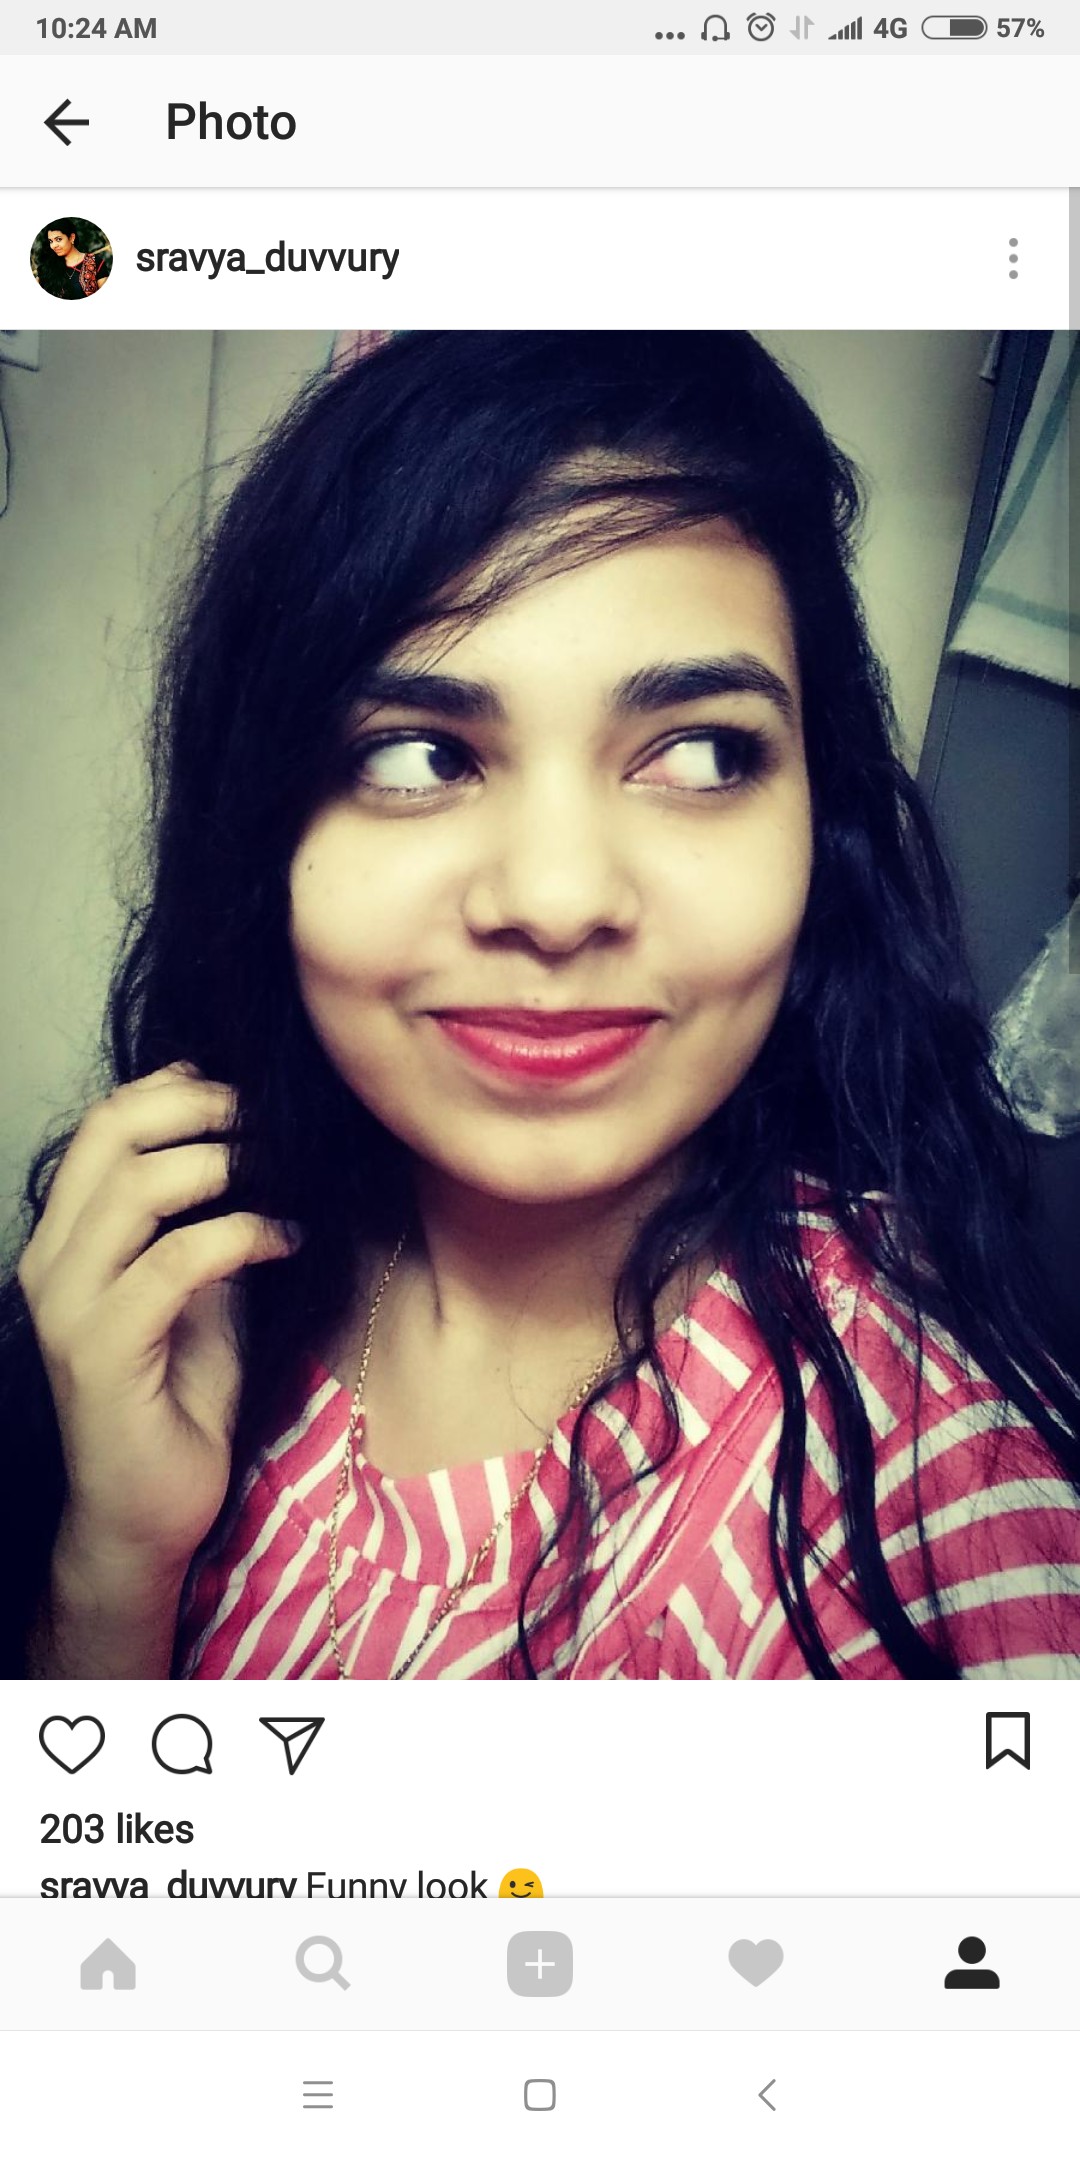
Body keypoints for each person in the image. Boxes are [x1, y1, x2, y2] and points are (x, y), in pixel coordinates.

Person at [2, 330, 1079, 1683]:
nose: (559, 900)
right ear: (262, 827)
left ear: (824, 819)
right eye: (418, 754)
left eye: (702, 752)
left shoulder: (944, 1508)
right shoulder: (198, 1288)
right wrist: (117, 1561)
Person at [35, 223, 110, 300]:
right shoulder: (47, 268)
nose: (54, 245)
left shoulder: (94, 262)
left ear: (71, 238)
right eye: (51, 241)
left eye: (58, 239)